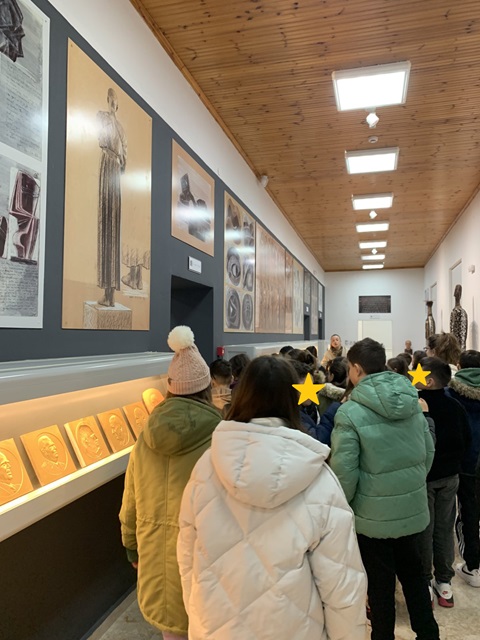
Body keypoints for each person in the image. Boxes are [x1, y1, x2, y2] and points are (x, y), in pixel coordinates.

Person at [177, 356, 367, 640]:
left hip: (216, 627)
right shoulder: (317, 477)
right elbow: (342, 585)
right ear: (292, 399)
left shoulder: (206, 468)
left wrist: (198, 620)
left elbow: (187, 558)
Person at [330, 337, 439, 640]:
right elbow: (428, 452)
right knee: (415, 578)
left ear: (355, 369)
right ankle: (429, 634)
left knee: (379, 588)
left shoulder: (350, 412)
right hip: (411, 510)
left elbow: (344, 471)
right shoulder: (412, 400)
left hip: (371, 517)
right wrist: (410, 485)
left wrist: (346, 507)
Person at [120, 326, 222, 639]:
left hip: (155, 560)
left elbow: (130, 501)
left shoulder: (144, 437)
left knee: (171, 632)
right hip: (205, 561)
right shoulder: (221, 437)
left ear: (170, 388)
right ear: (206, 388)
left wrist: (131, 547)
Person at [415, 357, 471, 607]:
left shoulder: (417, 406)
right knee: (445, 529)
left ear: (428, 380)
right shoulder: (455, 406)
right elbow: (467, 439)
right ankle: (445, 583)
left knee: (425, 530)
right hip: (451, 477)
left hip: (425, 477)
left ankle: (425, 580)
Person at [445, 349, 480, 588]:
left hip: (462, 461)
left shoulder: (451, 393)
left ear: (459, 366)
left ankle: (472, 566)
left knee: (466, 513)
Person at [97, 88, 127, 308]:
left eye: (115, 101)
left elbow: (124, 159)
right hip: (109, 166)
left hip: (113, 168)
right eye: (111, 100)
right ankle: (107, 292)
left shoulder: (119, 127)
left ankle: (110, 293)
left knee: (112, 226)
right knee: (106, 224)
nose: (112, 103)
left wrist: (118, 159)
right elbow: (103, 140)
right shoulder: (103, 118)